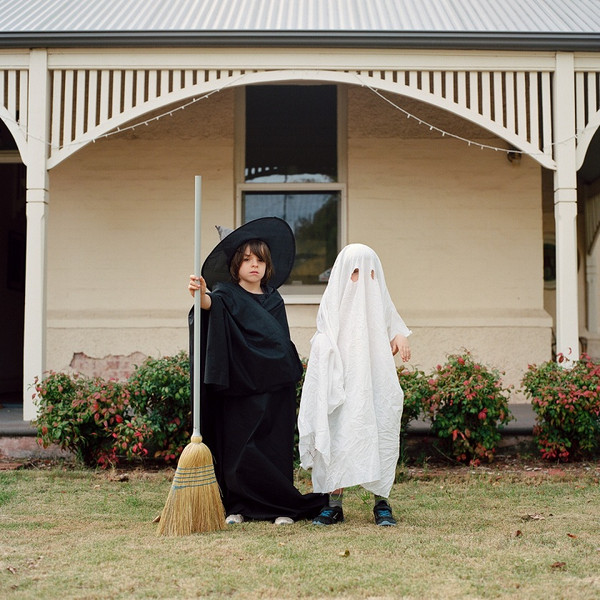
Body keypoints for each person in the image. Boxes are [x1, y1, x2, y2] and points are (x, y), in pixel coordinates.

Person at [188, 217, 326, 525]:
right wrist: (200, 294)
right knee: (239, 448)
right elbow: (210, 306)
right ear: (236, 264)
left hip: (274, 386)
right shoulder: (224, 295)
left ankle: (280, 507)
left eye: (260, 260)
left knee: (273, 448)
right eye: (248, 259)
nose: (254, 265)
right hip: (239, 387)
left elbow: (279, 342)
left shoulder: (274, 299)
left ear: (267, 265)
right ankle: (238, 507)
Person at [298, 243, 412, 526]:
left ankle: (381, 502)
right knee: (338, 436)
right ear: (342, 274)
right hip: (341, 383)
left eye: (371, 273)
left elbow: (392, 320)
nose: (363, 281)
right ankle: (333, 504)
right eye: (356, 272)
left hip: (374, 384)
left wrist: (399, 335)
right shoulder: (333, 303)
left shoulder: (379, 300)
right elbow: (324, 333)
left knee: (379, 434)